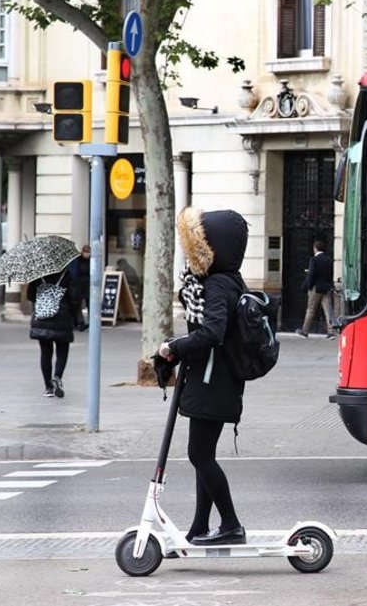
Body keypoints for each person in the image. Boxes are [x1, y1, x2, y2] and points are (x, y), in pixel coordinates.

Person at [157, 207, 249, 546]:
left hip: (215, 381)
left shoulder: (218, 284)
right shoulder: (225, 281)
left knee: (199, 454)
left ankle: (231, 525)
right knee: (203, 453)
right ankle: (199, 527)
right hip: (212, 378)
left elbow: (212, 332)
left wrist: (174, 347)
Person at [28, 268, 81, 398]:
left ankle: (48, 387)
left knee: (46, 353)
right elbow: (74, 298)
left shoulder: (38, 274)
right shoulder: (66, 275)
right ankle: (57, 377)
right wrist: (75, 316)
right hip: (63, 317)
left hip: (42, 317)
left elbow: (30, 295)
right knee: (62, 350)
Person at [296, 240, 335, 338]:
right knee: (328, 310)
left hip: (315, 288)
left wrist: (308, 286)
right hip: (326, 288)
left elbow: (311, 275)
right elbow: (330, 275)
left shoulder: (314, 260)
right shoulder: (329, 260)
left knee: (311, 309)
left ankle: (305, 331)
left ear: (315, 248)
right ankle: (331, 332)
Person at [68, 245, 91, 331]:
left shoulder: (91, 261)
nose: (87, 254)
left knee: (90, 303)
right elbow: (74, 272)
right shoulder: (77, 260)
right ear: (82, 252)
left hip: (88, 285)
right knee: (77, 304)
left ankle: (91, 322)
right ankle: (80, 322)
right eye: (86, 252)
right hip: (77, 285)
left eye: (88, 252)